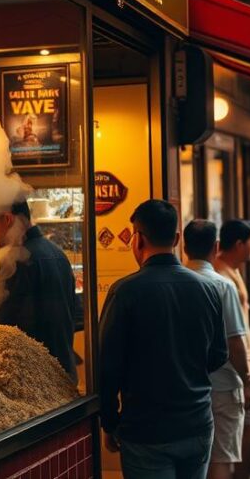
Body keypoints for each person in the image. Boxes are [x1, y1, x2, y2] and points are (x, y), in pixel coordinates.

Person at [100, 200, 228, 479]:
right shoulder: (208, 289)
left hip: (145, 430)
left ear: (138, 239)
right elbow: (219, 354)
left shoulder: (124, 292)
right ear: (177, 238)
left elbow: (108, 365)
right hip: (197, 424)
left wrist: (109, 422)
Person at [183, 220, 250, 479]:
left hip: (186, 387)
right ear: (215, 247)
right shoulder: (222, 285)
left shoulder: (177, 283)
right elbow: (235, 341)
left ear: (183, 244)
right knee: (221, 457)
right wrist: (247, 382)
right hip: (223, 385)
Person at [0, 199, 84, 383]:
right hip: (64, 372)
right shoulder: (58, 254)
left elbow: (0, 325)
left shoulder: (16, 260)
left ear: (7, 219)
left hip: (35, 379)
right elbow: (78, 314)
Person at [214, 220, 250, 479]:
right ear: (239, 244)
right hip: (232, 370)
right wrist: (245, 379)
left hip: (240, 365)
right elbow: (232, 334)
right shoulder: (222, 276)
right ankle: (239, 475)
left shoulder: (233, 270)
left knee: (244, 425)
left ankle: (239, 472)